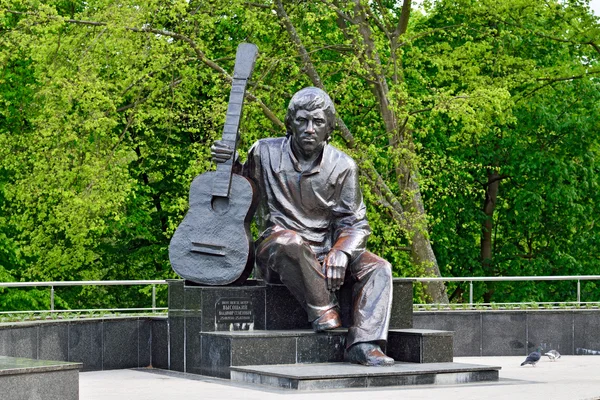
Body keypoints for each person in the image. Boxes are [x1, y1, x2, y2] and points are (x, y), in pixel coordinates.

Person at [211, 87, 394, 366]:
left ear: (329, 128)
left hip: (325, 250)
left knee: (379, 267)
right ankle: (324, 310)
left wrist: (342, 252)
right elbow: (237, 193)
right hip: (278, 249)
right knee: (290, 243)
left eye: (318, 122)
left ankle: (364, 344)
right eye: (302, 121)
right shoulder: (263, 152)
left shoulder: (344, 166)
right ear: (290, 123)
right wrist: (229, 162)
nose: (309, 129)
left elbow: (355, 222)